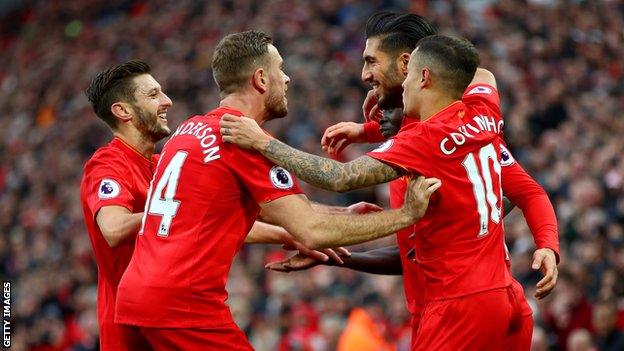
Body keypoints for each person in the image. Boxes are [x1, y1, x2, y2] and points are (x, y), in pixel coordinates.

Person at [115, 30, 441, 351]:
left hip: (134, 298)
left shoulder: (189, 129)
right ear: (260, 79)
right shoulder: (242, 141)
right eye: (280, 70)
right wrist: (406, 215)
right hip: (182, 304)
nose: (286, 79)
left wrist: (340, 212)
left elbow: (235, 213)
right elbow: (313, 231)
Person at [219, 34, 539, 350]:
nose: (375, 107)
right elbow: (412, 254)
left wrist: (264, 143)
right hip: (499, 297)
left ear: (417, 75)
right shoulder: (477, 118)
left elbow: (340, 180)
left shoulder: (421, 143)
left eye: (374, 66)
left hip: (457, 307)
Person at [80, 59, 358, 350]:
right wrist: (175, 208)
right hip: (130, 320)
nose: (167, 101)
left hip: (160, 308)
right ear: (123, 111)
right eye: (153, 95)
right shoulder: (108, 164)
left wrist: (295, 230)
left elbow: (215, 217)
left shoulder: (161, 164)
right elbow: (112, 228)